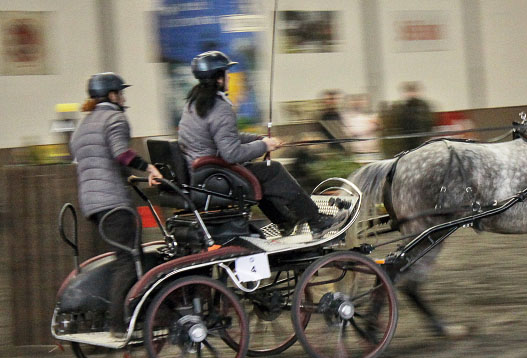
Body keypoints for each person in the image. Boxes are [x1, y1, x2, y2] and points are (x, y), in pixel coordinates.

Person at [177, 50, 337, 240]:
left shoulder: (194, 104)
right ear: (219, 79)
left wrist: (260, 140)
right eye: (227, 73)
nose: (229, 77)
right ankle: (316, 220)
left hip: (204, 174)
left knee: (262, 174)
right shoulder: (220, 108)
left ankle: (285, 222)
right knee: (274, 170)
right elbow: (232, 154)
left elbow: (229, 137)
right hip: (216, 177)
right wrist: (264, 146)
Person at [70, 72, 162, 334]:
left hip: (91, 205)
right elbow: (121, 153)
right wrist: (149, 168)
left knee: (125, 256)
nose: (123, 97)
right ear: (112, 95)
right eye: (121, 92)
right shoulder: (115, 118)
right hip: (114, 204)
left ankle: (120, 315)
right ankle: (119, 323)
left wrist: (126, 176)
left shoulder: (83, 125)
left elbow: (91, 160)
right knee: (129, 259)